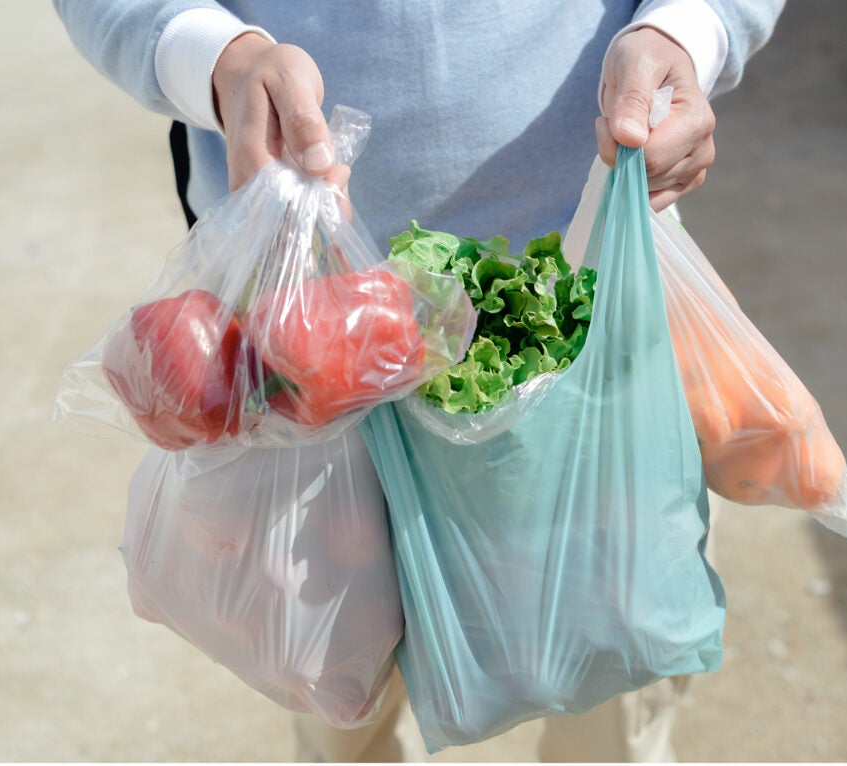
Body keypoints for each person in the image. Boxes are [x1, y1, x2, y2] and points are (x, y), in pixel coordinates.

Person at [53, 1, 784, 761]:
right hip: (296, 357)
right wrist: (217, 57)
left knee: (610, 699)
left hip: (576, 321)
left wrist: (686, 30)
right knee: (340, 707)